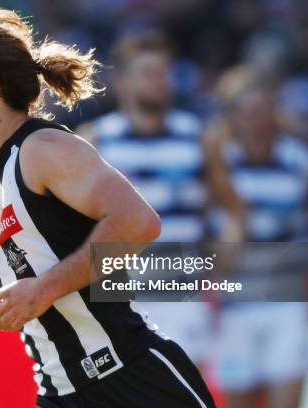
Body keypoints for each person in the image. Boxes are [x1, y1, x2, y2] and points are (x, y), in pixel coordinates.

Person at [0, 8, 215, 408]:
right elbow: (22, 303)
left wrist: (44, 288)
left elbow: (138, 222)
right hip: (61, 395)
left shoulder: (41, 149)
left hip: (133, 384)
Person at [79, 31, 213, 368]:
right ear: (123, 83)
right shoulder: (95, 141)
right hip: (122, 298)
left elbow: (230, 209)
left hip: (182, 295)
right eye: (149, 74)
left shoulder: (198, 137)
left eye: (164, 73)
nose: (160, 82)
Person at [202, 69, 308, 408]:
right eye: (248, 112)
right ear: (235, 118)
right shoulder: (219, 166)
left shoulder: (302, 162)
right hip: (235, 308)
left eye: (263, 111)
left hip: (288, 304)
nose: (257, 121)